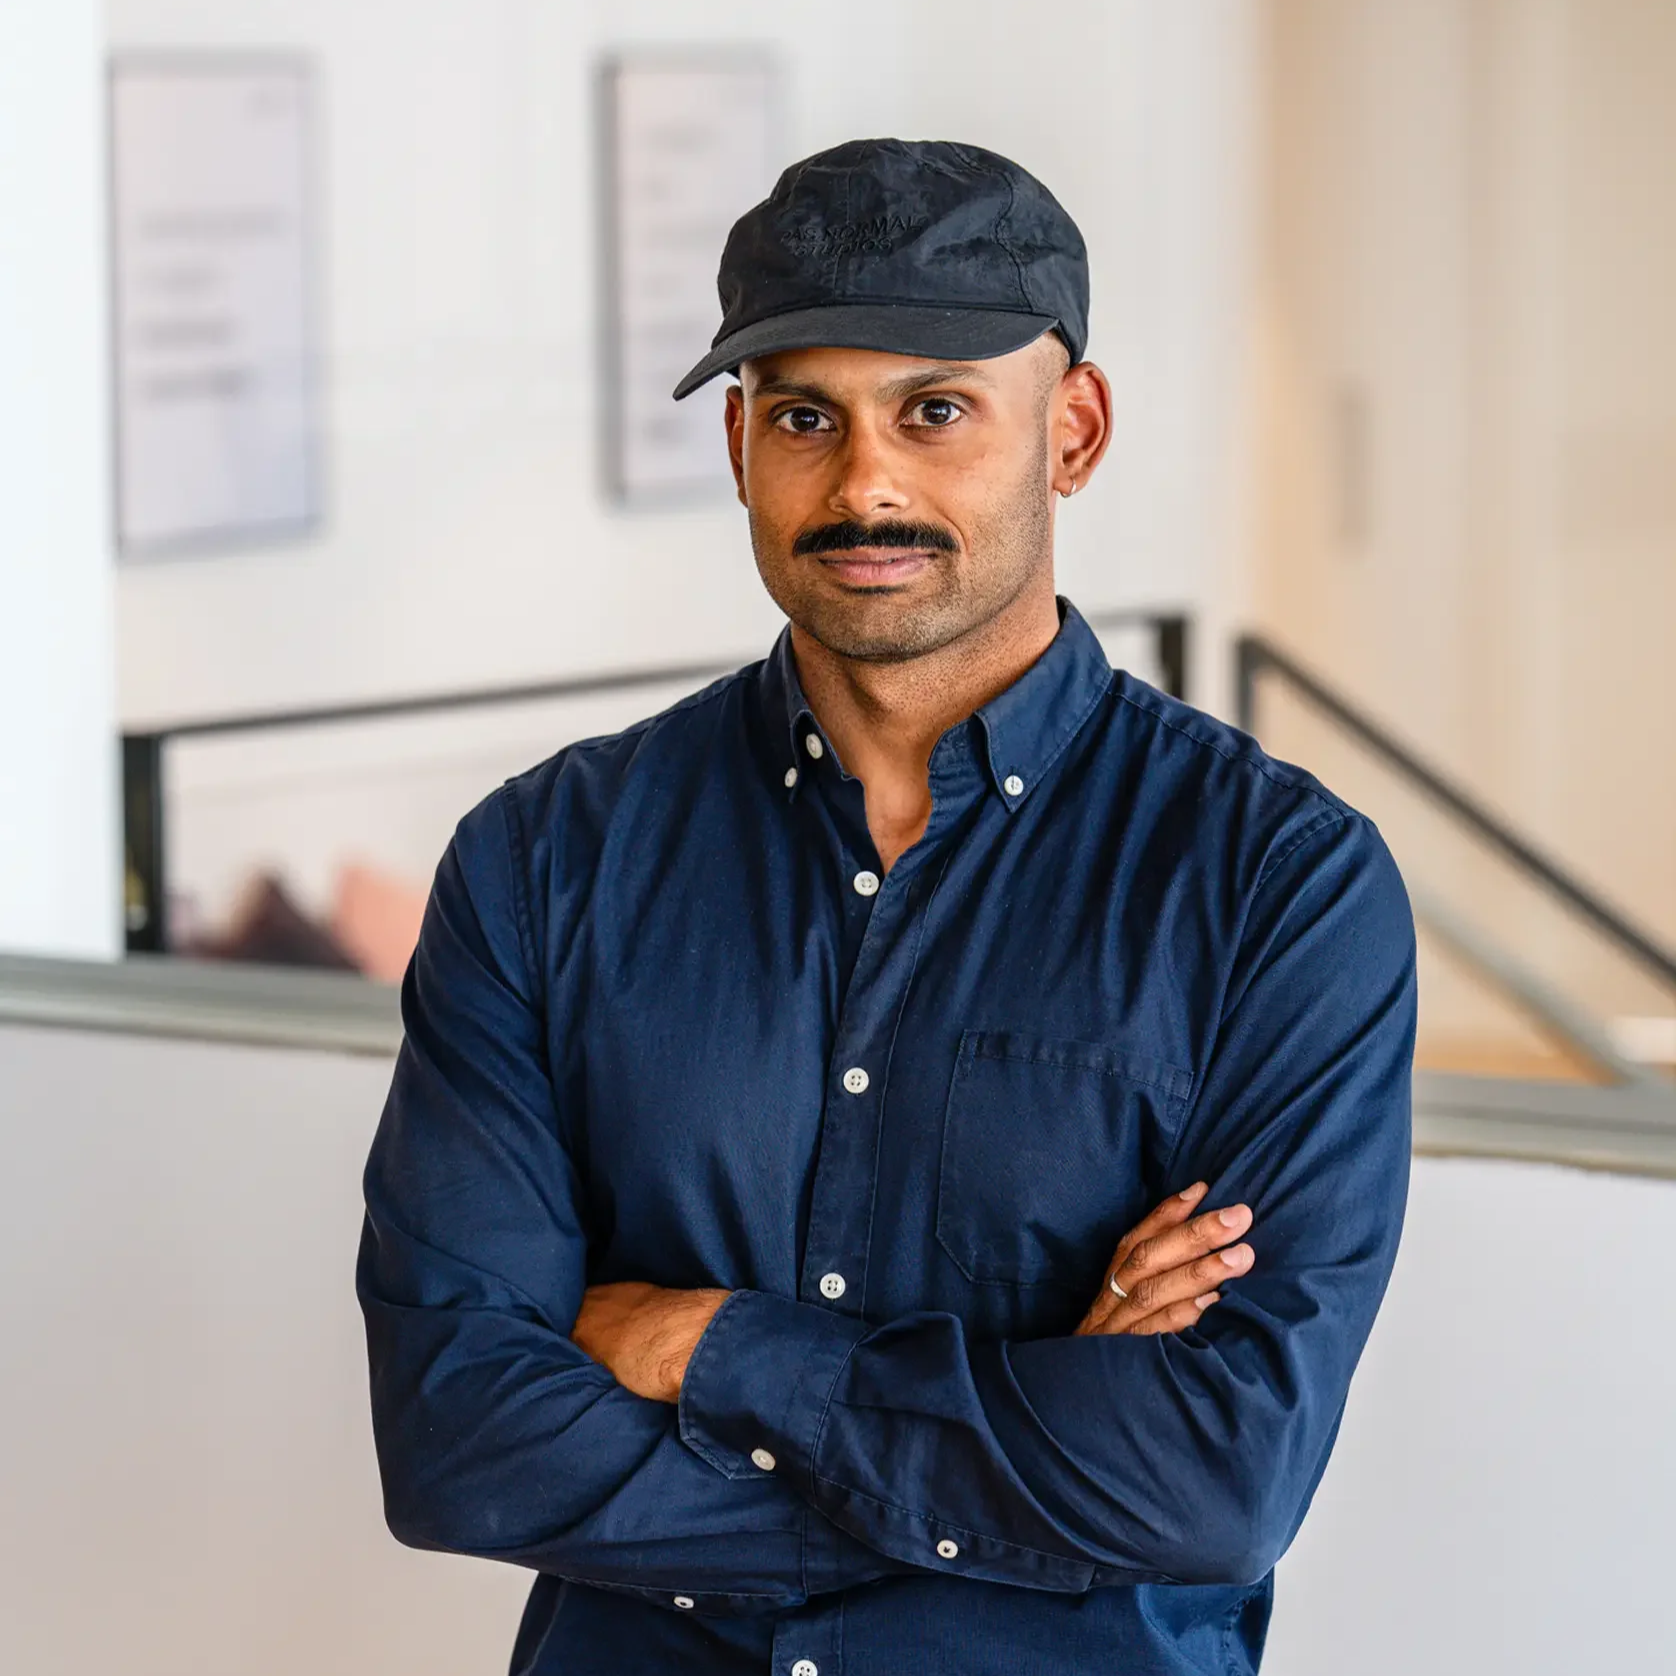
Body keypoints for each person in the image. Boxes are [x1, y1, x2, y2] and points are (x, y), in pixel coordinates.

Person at [357, 138, 1416, 1676]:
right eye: (805, 417)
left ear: (1075, 430)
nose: (865, 483)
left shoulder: (1277, 887)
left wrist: (707, 1346)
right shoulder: (543, 863)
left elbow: (1211, 1479)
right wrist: (1033, 1452)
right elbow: (462, 1438)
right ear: (739, 447)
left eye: (935, 411)